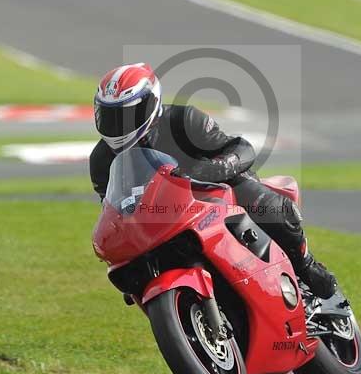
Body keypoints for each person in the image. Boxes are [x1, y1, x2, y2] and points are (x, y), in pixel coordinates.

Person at [89, 63, 337, 299]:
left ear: (151, 104)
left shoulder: (182, 120)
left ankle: (305, 265)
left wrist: (215, 168)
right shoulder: (101, 160)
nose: (118, 125)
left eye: (127, 115)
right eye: (110, 116)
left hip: (216, 193)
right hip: (164, 217)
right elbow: (113, 209)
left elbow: (240, 148)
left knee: (264, 203)